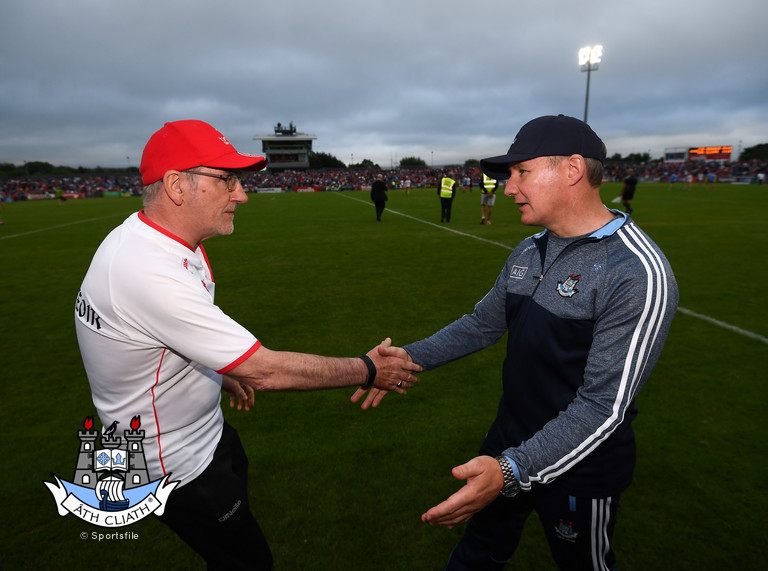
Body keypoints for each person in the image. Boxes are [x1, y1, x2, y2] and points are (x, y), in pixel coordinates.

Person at [74, 120, 421, 570]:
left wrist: (220, 373)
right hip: (176, 466)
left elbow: (161, 342)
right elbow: (265, 370)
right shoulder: (145, 271)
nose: (241, 195)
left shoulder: (161, 242)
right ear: (177, 186)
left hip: (205, 433)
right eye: (227, 180)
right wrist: (369, 369)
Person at [353, 115, 678, 570]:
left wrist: (512, 470)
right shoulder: (529, 250)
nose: (508, 188)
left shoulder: (635, 271)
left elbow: (602, 406)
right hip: (506, 444)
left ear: (573, 169)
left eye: (522, 172)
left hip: (581, 466)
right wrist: (407, 356)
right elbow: (482, 325)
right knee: (475, 556)